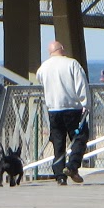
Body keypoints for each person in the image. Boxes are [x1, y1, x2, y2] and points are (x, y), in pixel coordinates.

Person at [37, 39, 90, 184]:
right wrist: (86, 104)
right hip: (72, 108)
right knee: (80, 137)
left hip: (53, 109)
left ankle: (60, 176)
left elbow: (40, 80)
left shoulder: (44, 67)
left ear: (50, 52)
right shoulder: (72, 63)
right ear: (62, 49)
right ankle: (72, 166)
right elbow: (81, 85)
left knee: (58, 142)